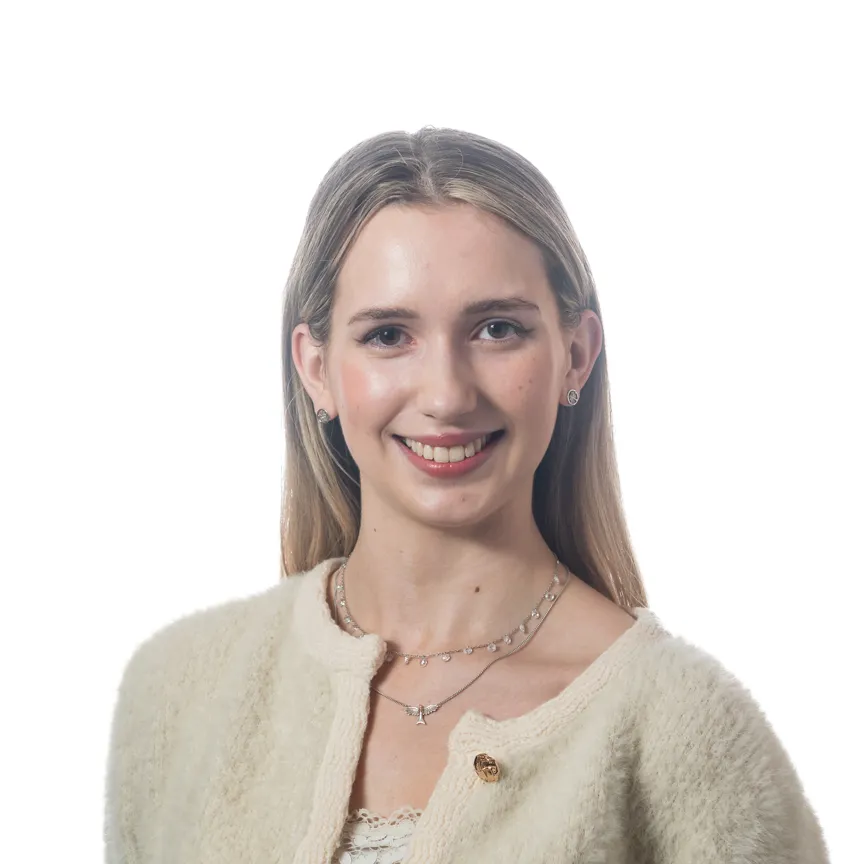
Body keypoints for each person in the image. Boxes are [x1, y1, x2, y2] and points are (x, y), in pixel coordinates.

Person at [104, 127, 830, 863]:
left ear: (574, 355)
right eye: (389, 335)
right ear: (316, 369)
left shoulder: (687, 735)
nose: (447, 395)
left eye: (496, 328)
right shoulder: (177, 692)